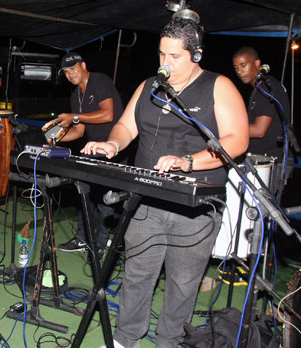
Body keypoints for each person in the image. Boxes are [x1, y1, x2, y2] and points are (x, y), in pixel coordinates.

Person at [84, 18, 249, 348]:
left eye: (174, 56)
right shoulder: (149, 86)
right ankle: (124, 339)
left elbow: (238, 140)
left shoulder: (218, 86)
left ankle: (169, 343)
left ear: (196, 55)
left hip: (195, 205)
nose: (165, 64)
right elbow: (126, 126)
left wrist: (189, 162)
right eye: (161, 54)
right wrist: (113, 145)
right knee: (137, 274)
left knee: (183, 284)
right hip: (145, 199)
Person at [55, 52, 125, 259]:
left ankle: (101, 244)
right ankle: (82, 238)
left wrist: (73, 116)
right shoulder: (75, 95)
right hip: (93, 149)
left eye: (73, 69)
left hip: (113, 149)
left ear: (83, 65)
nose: (70, 74)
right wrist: (55, 137)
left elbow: (108, 114)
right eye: (66, 72)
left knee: (105, 199)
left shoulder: (99, 81)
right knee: (84, 192)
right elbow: (78, 131)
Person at [232, 46, 292, 162]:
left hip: (270, 161)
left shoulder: (266, 88)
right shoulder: (258, 89)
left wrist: (227, 130)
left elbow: (259, 130)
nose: (239, 71)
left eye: (243, 65)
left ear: (257, 63)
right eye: (236, 68)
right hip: (260, 158)